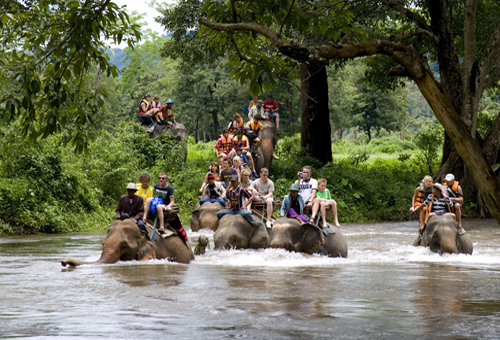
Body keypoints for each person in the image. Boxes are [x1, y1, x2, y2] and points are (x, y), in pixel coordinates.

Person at [143, 173, 187, 240]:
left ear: (166, 180)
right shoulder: (156, 186)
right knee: (148, 199)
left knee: (159, 207)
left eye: (163, 178)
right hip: (157, 201)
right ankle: (144, 217)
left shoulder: (169, 188)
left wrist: (168, 206)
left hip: (164, 204)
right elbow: (155, 196)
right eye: (160, 178)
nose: (161, 180)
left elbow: (172, 201)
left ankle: (162, 226)